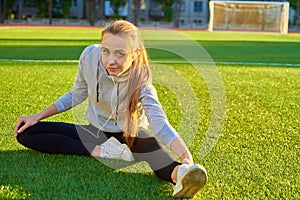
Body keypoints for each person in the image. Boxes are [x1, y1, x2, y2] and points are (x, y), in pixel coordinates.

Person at [14, 20, 207, 198]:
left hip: (130, 135)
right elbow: (76, 94)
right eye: (106, 51)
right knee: (26, 132)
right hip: (97, 132)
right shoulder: (89, 56)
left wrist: (185, 157)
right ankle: (102, 151)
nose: (110, 60)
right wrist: (37, 116)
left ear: (135, 54)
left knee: (149, 145)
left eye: (120, 53)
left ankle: (179, 175)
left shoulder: (142, 83)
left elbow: (159, 122)